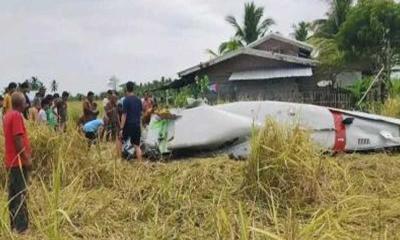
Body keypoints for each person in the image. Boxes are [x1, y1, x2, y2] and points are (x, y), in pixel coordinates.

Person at [3, 92, 32, 234]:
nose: (27, 105)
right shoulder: (16, 116)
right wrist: (26, 159)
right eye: (25, 102)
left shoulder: (7, 115)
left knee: (13, 194)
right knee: (21, 194)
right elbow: (18, 139)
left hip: (10, 161)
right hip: (18, 162)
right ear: (21, 104)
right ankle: (22, 228)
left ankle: (13, 224)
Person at [120, 81, 143, 161]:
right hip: (137, 126)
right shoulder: (139, 100)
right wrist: (141, 126)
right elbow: (140, 115)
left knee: (120, 140)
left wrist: (121, 128)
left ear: (126, 89)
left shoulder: (126, 100)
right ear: (133, 88)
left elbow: (124, 115)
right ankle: (140, 164)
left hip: (128, 126)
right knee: (137, 146)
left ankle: (120, 161)